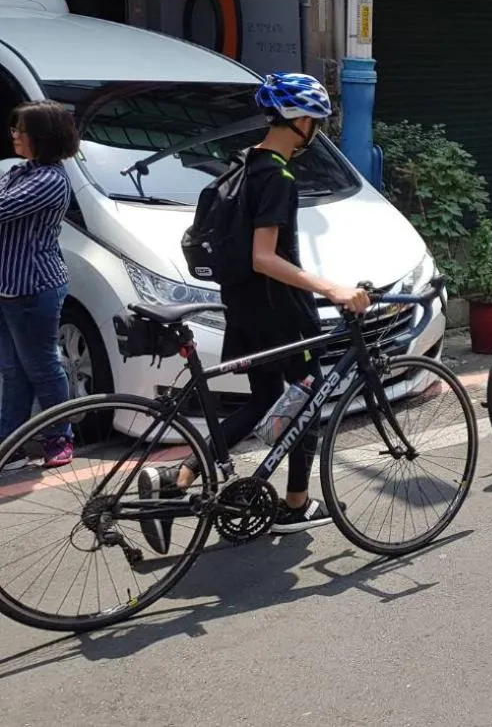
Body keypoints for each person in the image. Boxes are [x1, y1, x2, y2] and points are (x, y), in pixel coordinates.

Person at [138, 74, 372, 550]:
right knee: (309, 398)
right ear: (301, 121)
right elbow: (263, 257)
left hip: (243, 307)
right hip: (279, 310)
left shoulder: (245, 164)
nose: (318, 130)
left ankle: (178, 475)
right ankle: (296, 503)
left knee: (264, 399)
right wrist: (331, 287)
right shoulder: (279, 177)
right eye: (317, 122)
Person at [0, 101, 81, 470]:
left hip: (33, 286)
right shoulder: (21, 171)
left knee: (43, 366)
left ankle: (59, 437)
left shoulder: (49, 180)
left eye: (22, 130)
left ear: (41, 137)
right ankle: (10, 440)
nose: (14, 135)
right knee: (14, 369)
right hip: (8, 286)